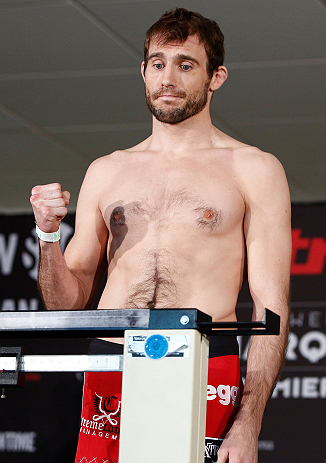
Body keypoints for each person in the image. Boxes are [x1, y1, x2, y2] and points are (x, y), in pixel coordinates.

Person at [30, 7, 291, 463]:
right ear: (144, 72)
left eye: (186, 64)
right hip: (113, 362)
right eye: (158, 63)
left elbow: (273, 306)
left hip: (204, 363)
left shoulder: (253, 169)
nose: (168, 77)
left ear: (216, 77)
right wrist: (47, 236)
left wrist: (249, 425)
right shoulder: (106, 170)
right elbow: (64, 303)